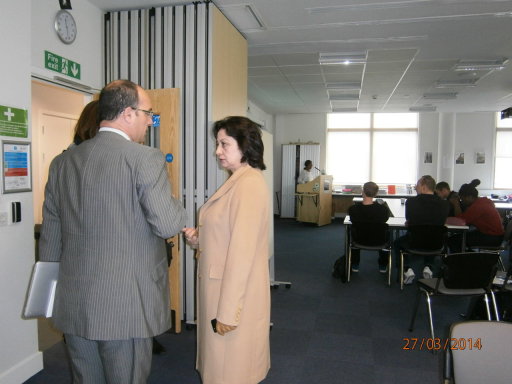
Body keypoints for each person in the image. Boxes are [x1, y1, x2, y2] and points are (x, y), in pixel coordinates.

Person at [39, 79, 187, 383]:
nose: (150, 120)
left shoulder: (62, 162)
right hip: (125, 302)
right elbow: (168, 224)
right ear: (128, 113)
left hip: (74, 298)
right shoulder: (144, 158)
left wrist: (50, 293)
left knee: (86, 377)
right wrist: (178, 203)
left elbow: (51, 234)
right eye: (148, 113)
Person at [182, 116, 271, 384]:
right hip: (222, 287)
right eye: (217, 144)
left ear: (246, 147)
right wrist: (200, 238)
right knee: (225, 367)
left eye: (224, 144)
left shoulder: (249, 185)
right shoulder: (238, 180)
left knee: (230, 370)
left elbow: (242, 253)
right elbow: (229, 234)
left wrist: (229, 311)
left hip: (232, 294)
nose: (217, 151)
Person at [394, 175, 449, 284]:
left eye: (417, 185)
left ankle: (407, 269)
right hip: (436, 243)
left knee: (397, 243)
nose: (415, 187)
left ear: (424, 187)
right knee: (431, 236)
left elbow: (409, 220)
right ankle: (429, 267)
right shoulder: (445, 204)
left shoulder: (411, 202)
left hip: (414, 242)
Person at [448, 179, 504, 252]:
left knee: (453, 240)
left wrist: (456, 204)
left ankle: (469, 259)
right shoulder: (484, 201)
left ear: (470, 197)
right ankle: (469, 255)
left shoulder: (478, 206)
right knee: (461, 237)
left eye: (462, 199)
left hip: (492, 238)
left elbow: (460, 222)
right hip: (496, 235)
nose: (462, 201)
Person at [347, 181, 390, 273]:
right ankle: (383, 265)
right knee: (388, 235)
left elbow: (353, 221)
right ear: (376, 193)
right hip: (379, 241)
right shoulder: (383, 210)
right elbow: (385, 221)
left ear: (363, 192)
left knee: (352, 232)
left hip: (359, 240)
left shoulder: (353, 209)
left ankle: (355, 265)